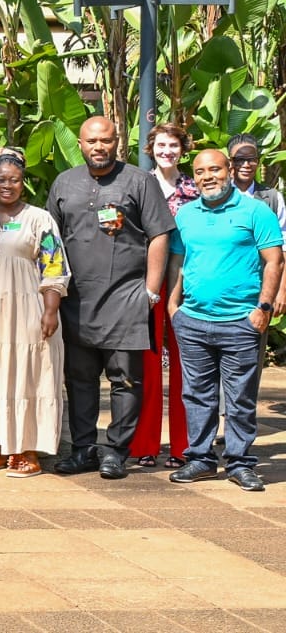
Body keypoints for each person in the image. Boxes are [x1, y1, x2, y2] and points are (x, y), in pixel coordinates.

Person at [46, 116, 174, 480]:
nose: (98, 147)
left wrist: (150, 290)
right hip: (77, 302)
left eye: (105, 140)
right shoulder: (64, 183)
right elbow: (51, 241)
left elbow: (159, 235)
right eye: (91, 141)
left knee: (126, 381)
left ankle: (117, 450)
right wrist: (54, 293)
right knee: (80, 380)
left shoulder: (139, 181)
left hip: (126, 298)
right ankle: (84, 448)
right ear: (81, 144)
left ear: (117, 142)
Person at [166, 148, 283, 492]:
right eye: (200, 172)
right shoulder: (186, 215)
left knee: (240, 397)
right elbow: (178, 261)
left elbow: (274, 261)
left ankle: (240, 462)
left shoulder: (255, 211)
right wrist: (175, 306)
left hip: (240, 322)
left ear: (229, 170)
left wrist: (263, 307)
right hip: (194, 321)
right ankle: (200, 459)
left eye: (214, 169)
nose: (207, 177)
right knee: (197, 395)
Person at [0, 153, 70, 477]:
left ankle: (25, 448)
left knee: (28, 374)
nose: (7, 185)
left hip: (27, 311)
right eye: (0, 179)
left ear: (24, 183)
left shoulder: (40, 219)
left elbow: (55, 268)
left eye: (14, 179)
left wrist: (50, 311)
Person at [132, 123, 199, 468]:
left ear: (182, 149)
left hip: (188, 282)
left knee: (187, 366)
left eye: (173, 145)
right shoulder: (138, 183)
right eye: (161, 145)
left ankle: (183, 446)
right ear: (151, 148)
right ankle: (144, 444)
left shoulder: (195, 187)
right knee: (147, 364)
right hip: (145, 281)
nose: (167, 151)